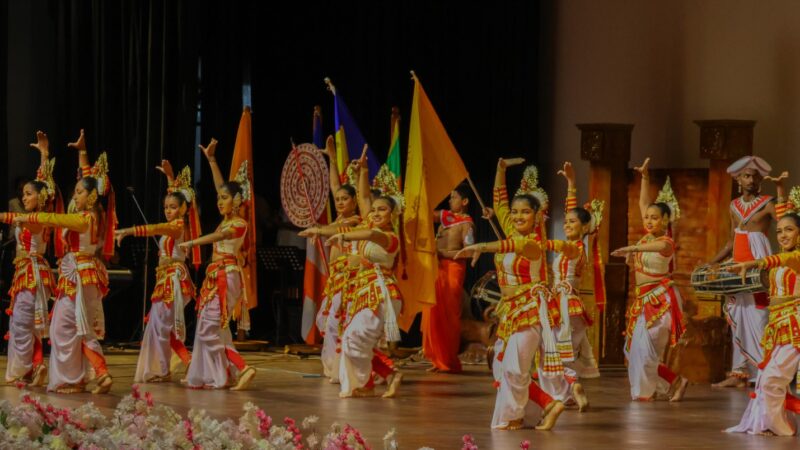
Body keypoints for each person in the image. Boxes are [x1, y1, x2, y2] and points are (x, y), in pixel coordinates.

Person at [456, 157, 565, 431]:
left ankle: (514, 417)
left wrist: (481, 246)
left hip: (530, 308)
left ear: (537, 216)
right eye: (515, 212)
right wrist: (500, 170)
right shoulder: (513, 230)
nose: (517, 217)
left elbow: (512, 246)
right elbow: (500, 202)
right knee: (501, 366)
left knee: (515, 367)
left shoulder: (534, 243)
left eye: (525, 212)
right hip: (510, 309)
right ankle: (545, 405)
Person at [15, 129, 117, 394]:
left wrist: (34, 218)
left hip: (80, 277)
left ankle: (75, 379)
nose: (75, 195)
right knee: (77, 328)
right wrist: (82, 153)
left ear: (91, 196)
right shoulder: (90, 214)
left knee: (63, 328)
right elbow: (83, 182)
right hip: (80, 276)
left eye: (80, 192)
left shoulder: (86, 218)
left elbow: (56, 215)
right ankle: (99, 374)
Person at [300, 154, 404, 399]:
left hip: (381, 293)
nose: (375, 213)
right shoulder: (368, 223)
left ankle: (381, 375)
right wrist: (364, 172)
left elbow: (370, 235)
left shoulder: (390, 238)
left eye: (382, 210)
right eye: (374, 210)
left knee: (355, 337)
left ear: (392, 214)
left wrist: (342, 236)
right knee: (349, 338)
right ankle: (372, 381)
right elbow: (365, 197)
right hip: (362, 292)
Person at [178, 138, 256, 390]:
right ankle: (224, 373)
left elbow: (220, 237)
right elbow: (220, 186)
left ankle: (243, 366)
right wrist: (211, 160)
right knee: (214, 328)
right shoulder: (227, 219)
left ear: (237, 200)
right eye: (218, 198)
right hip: (216, 277)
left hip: (226, 276)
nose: (220, 201)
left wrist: (193, 242)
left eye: (225, 198)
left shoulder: (239, 224)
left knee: (208, 330)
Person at [611, 158, 688, 402]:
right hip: (642, 300)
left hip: (660, 300)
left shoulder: (666, 242)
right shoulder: (646, 239)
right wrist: (644, 177)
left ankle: (649, 391)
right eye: (647, 218)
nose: (649, 221)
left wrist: (632, 249)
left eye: (655, 218)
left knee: (646, 353)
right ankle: (673, 381)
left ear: (665, 220)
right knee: (634, 350)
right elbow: (643, 203)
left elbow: (657, 247)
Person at [726, 182, 800, 436]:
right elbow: (784, 218)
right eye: (779, 231)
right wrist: (780, 191)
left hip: (795, 325)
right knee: (767, 378)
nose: (782, 235)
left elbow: (783, 258)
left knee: (771, 379)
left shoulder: (795, 257)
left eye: (789, 230)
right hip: (778, 326)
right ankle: (772, 424)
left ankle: (783, 430)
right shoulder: (781, 260)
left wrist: (754, 263)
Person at [115, 162, 200, 383]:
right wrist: (170, 178)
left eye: (172, 207)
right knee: (161, 327)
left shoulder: (178, 226)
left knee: (160, 327)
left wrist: (128, 231)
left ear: (183, 209)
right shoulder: (174, 224)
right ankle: (187, 363)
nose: (168, 210)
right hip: (165, 279)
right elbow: (173, 201)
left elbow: (154, 228)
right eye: (166, 207)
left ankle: (163, 370)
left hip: (174, 280)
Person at [536, 162, 604, 411]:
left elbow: (563, 243)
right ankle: (570, 391)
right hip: (569, 305)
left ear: (584, 227)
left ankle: (569, 388)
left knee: (550, 352)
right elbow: (571, 212)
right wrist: (572, 184)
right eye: (565, 221)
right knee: (562, 353)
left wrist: (538, 243)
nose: (566, 224)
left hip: (564, 306)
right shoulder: (577, 247)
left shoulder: (575, 249)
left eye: (572, 222)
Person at [709, 156, 779, 388]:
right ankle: (738, 373)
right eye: (746, 176)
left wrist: (781, 192)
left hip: (758, 265)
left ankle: (762, 373)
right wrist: (712, 262)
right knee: (738, 317)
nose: (751, 180)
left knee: (759, 316)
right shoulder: (733, 206)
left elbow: (786, 223)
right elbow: (731, 241)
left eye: (755, 177)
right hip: (737, 265)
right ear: (738, 179)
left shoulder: (768, 203)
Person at [2, 131, 60, 386]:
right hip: (27, 273)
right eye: (23, 194)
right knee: (26, 323)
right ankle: (36, 366)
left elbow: (46, 188)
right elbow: (43, 184)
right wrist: (43, 154)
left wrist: (45, 156)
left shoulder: (38, 218)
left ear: (40, 198)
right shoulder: (33, 217)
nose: (24, 197)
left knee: (22, 323)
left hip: (32, 274)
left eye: (28, 194)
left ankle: (27, 368)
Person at [422, 182, 475, 373]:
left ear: (465, 201)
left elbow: (469, 251)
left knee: (449, 316)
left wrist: (443, 253)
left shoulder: (467, 224)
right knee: (432, 312)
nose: (450, 200)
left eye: (454, 197)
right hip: (436, 268)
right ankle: (437, 359)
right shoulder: (446, 216)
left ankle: (448, 360)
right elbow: (425, 214)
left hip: (453, 269)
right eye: (450, 197)